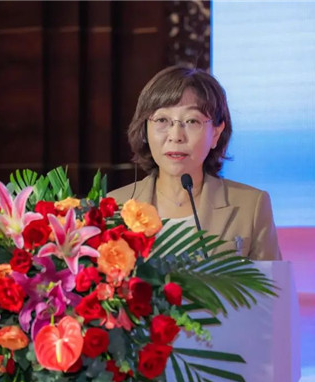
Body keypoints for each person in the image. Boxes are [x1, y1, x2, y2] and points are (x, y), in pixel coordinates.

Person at [108, 65, 281, 260]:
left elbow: (270, 279)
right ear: (144, 130)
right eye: (162, 120)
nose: (176, 136)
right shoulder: (113, 208)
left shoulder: (251, 206)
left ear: (215, 133)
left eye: (191, 121)